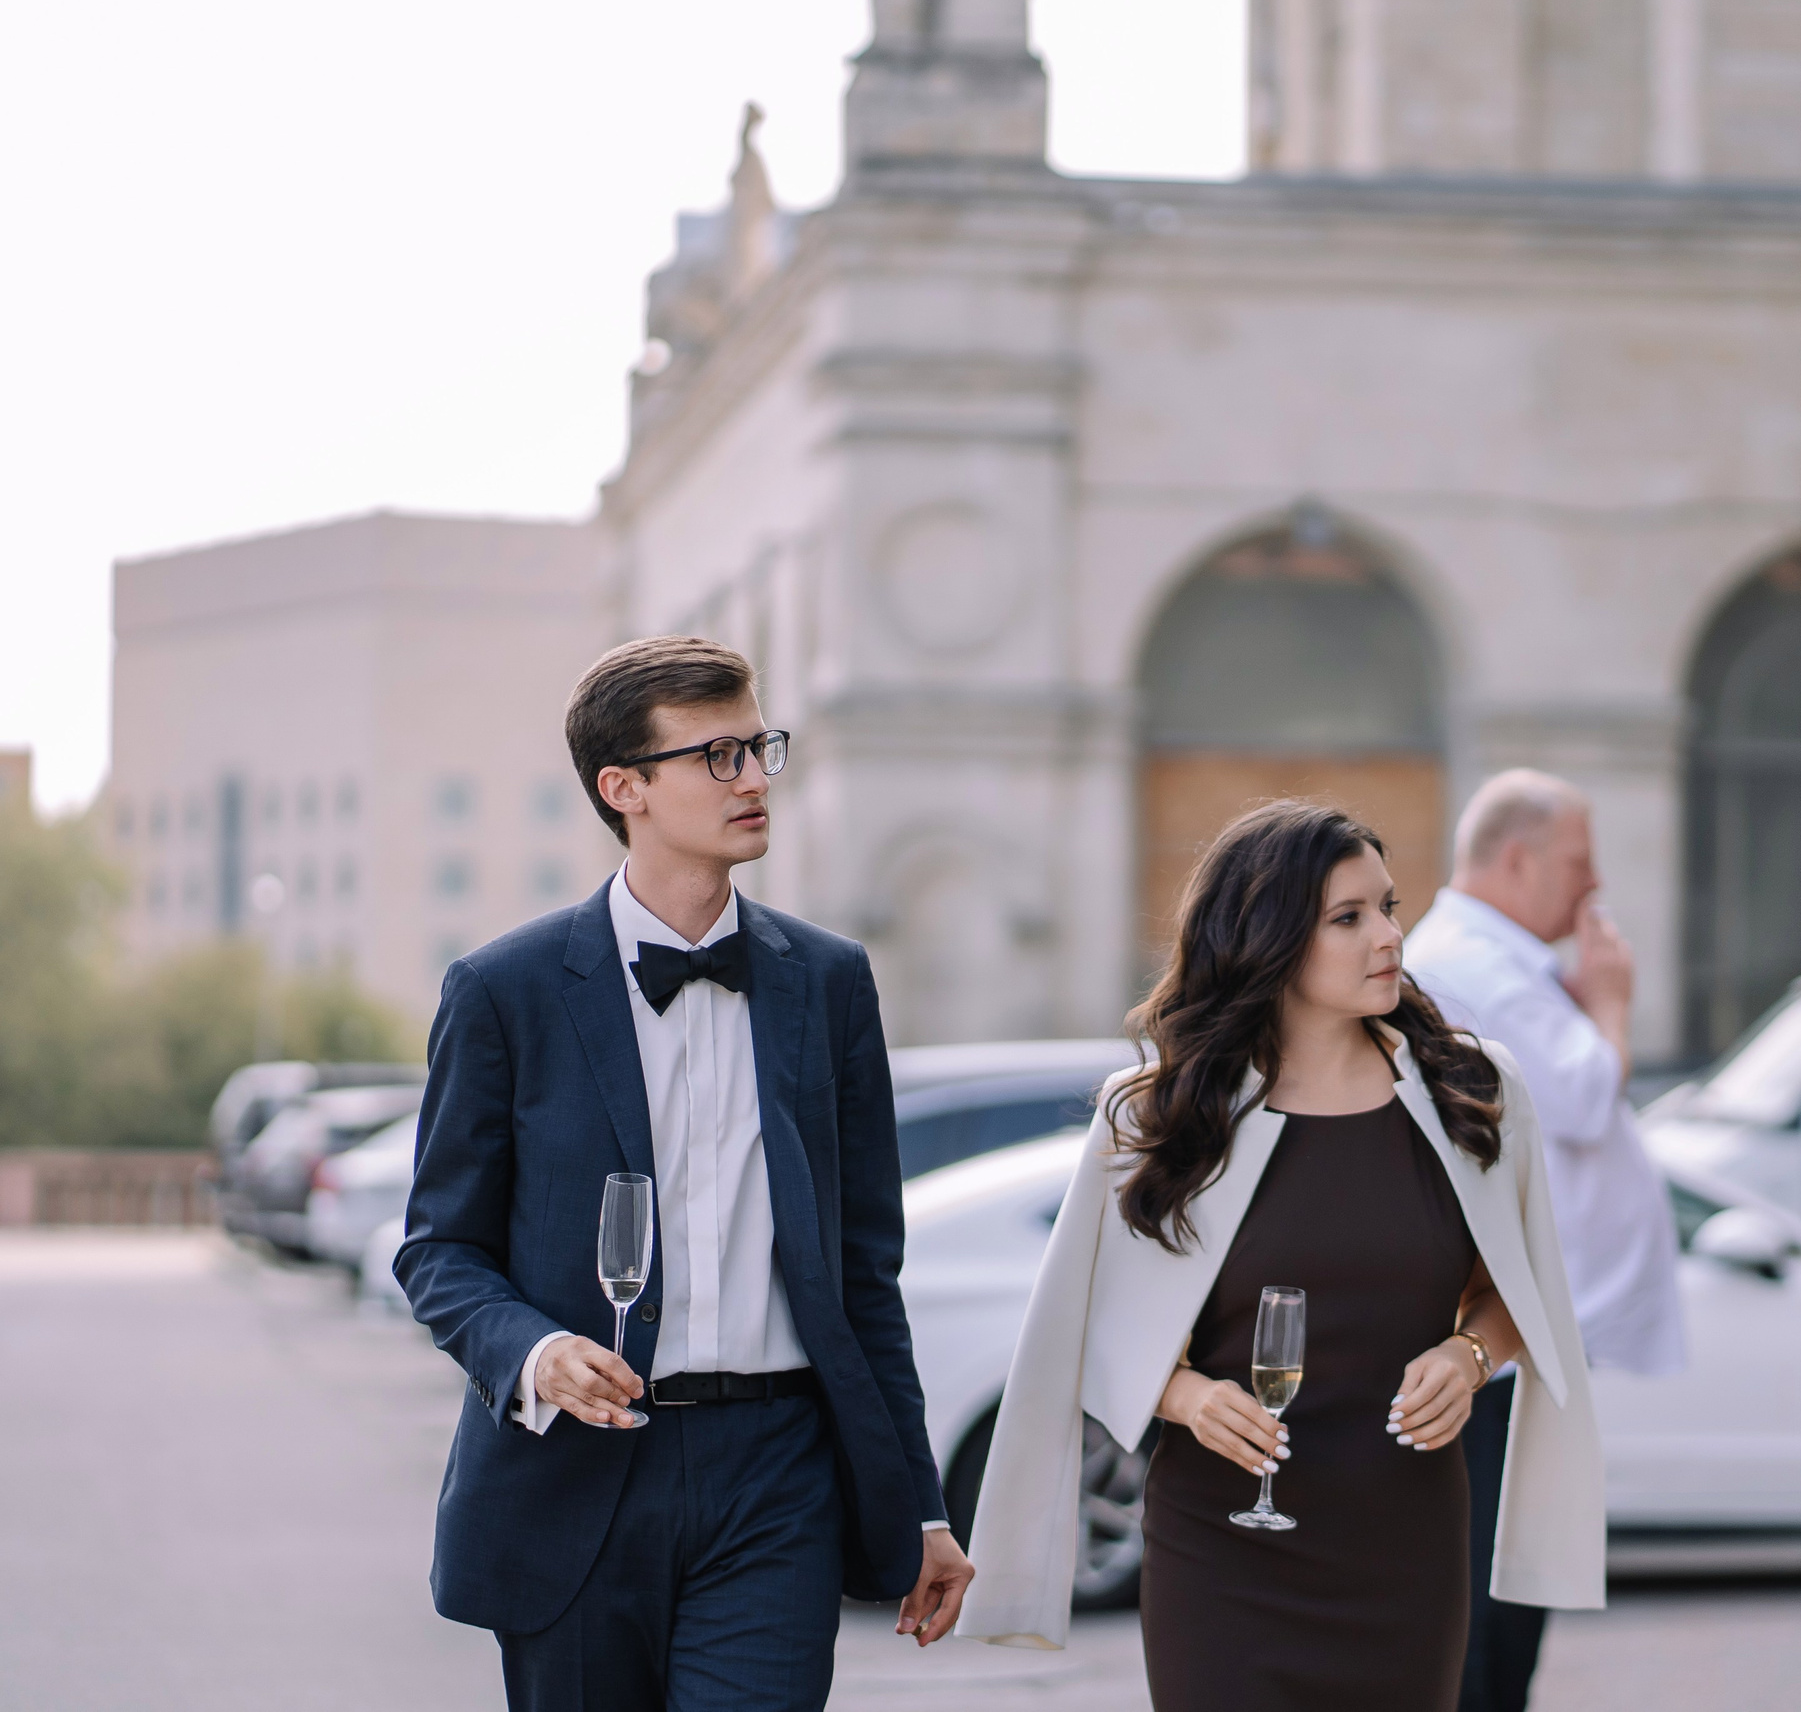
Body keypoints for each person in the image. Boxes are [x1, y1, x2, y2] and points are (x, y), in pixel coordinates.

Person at [397, 636, 974, 1711]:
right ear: (626, 788)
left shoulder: (832, 983)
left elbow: (862, 1275)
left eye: (760, 747)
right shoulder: (503, 990)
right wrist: (535, 1350)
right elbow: (439, 1248)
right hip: (576, 1470)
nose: (755, 778)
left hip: (777, 1474)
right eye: (717, 756)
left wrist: (923, 1506)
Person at [955, 800, 1605, 1709]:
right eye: (1349, 918)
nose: (1388, 936)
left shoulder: (1474, 1090)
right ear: (1268, 939)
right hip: (1220, 1548)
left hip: (1406, 1544)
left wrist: (1470, 1355)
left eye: (1389, 907)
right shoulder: (1154, 1114)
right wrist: (1186, 1396)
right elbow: (1083, 1323)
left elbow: (1518, 1295)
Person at [1400, 769, 1686, 1712]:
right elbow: (1583, 1093)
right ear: (1516, 859)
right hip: (1495, 1344)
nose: (1594, 882)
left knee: (1514, 1589)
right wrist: (1609, 1004)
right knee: (1492, 1598)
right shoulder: (1474, 964)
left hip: (1522, 1337)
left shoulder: (1506, 965)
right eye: (1578, 859)